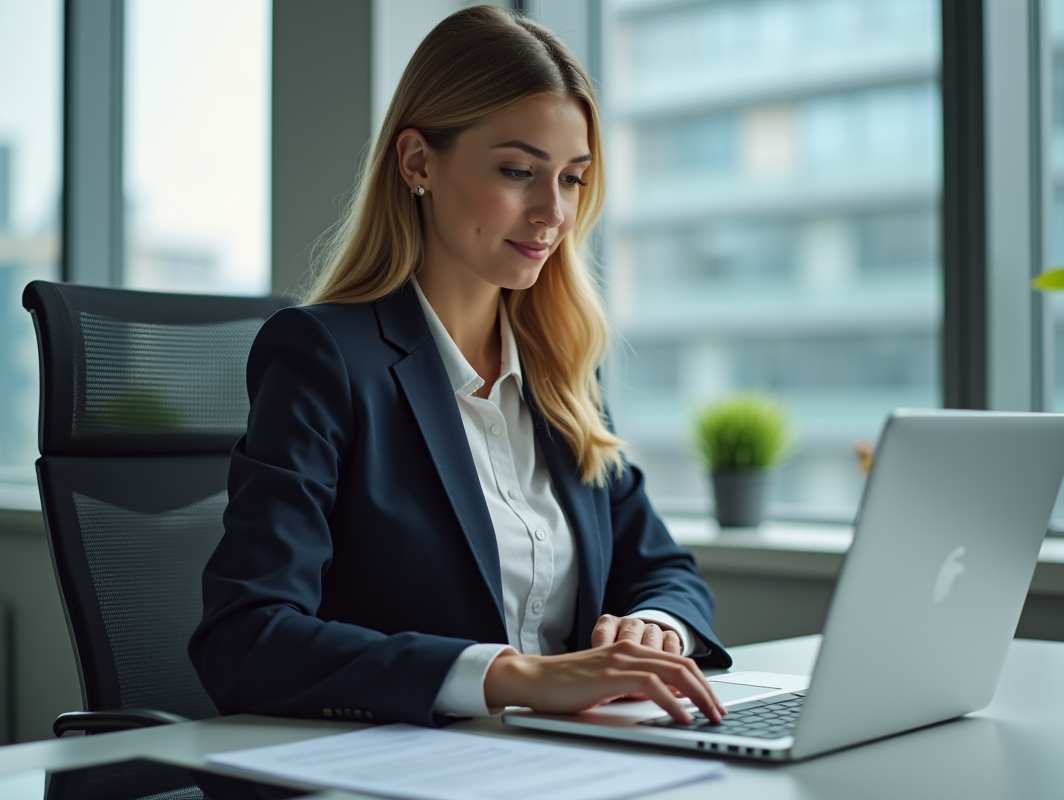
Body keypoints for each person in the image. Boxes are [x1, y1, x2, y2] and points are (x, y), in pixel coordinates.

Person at [189, 5, 730, 728]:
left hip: (565, 764)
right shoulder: (324, 359)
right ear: (417, 163)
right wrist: (516, 677)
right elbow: (246, 638)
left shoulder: (561, 372)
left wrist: (656, 626)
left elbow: (665, 569)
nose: (552, 214)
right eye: (517, 171)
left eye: (572, 179)